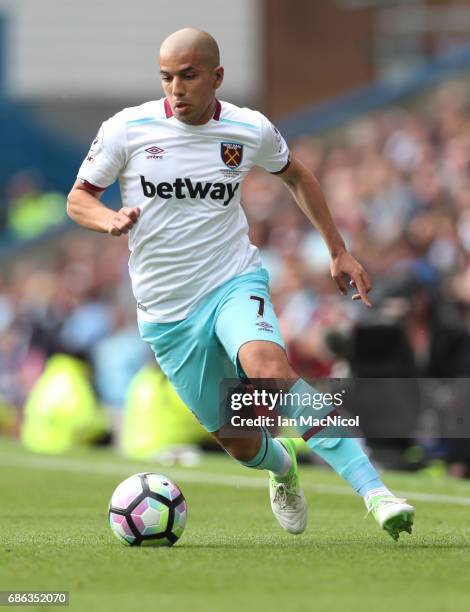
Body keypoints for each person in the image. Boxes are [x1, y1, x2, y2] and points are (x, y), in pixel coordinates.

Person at [67, 28, 415, 540]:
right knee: (241, 441)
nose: (176, 89)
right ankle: (283, 470)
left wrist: (338, 250)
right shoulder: (127, 129)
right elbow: (78, 199)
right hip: (167, 313)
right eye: (166, 78)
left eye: (188, 76)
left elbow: (296, 175)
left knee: (269, 370)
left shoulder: (248, 129)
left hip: (232, 281)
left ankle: (376, 493)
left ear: (216, 76)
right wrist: (108, 220)